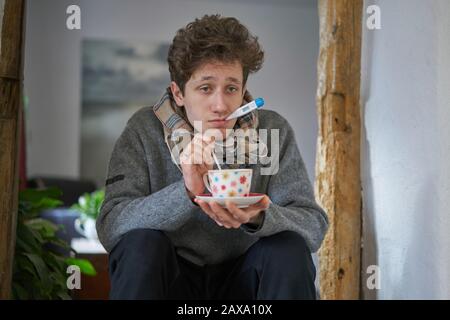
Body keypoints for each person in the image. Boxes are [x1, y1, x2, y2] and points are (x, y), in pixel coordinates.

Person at [97, 14, 328, 300]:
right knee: (140, 244)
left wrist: (260, 217)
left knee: (288, 249)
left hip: (245, 285)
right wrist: (187, 192)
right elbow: (111, 226)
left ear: (243, 91)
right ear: (178, 93)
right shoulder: (144, 130)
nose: (220, 105)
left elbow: (313, 225)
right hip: (171, 283)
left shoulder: (273, 130)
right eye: (205, 88)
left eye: (231, 89)